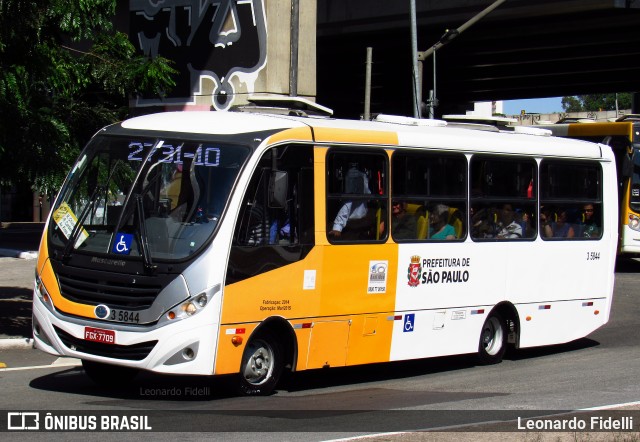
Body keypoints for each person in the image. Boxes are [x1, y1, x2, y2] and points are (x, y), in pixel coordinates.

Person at [328, 166, 372, 238]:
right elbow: (347, 204)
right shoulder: (356, 179)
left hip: (360, 225)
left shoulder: (360, 178)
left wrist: (337, 227)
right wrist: (337, 227)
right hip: (352, 226)